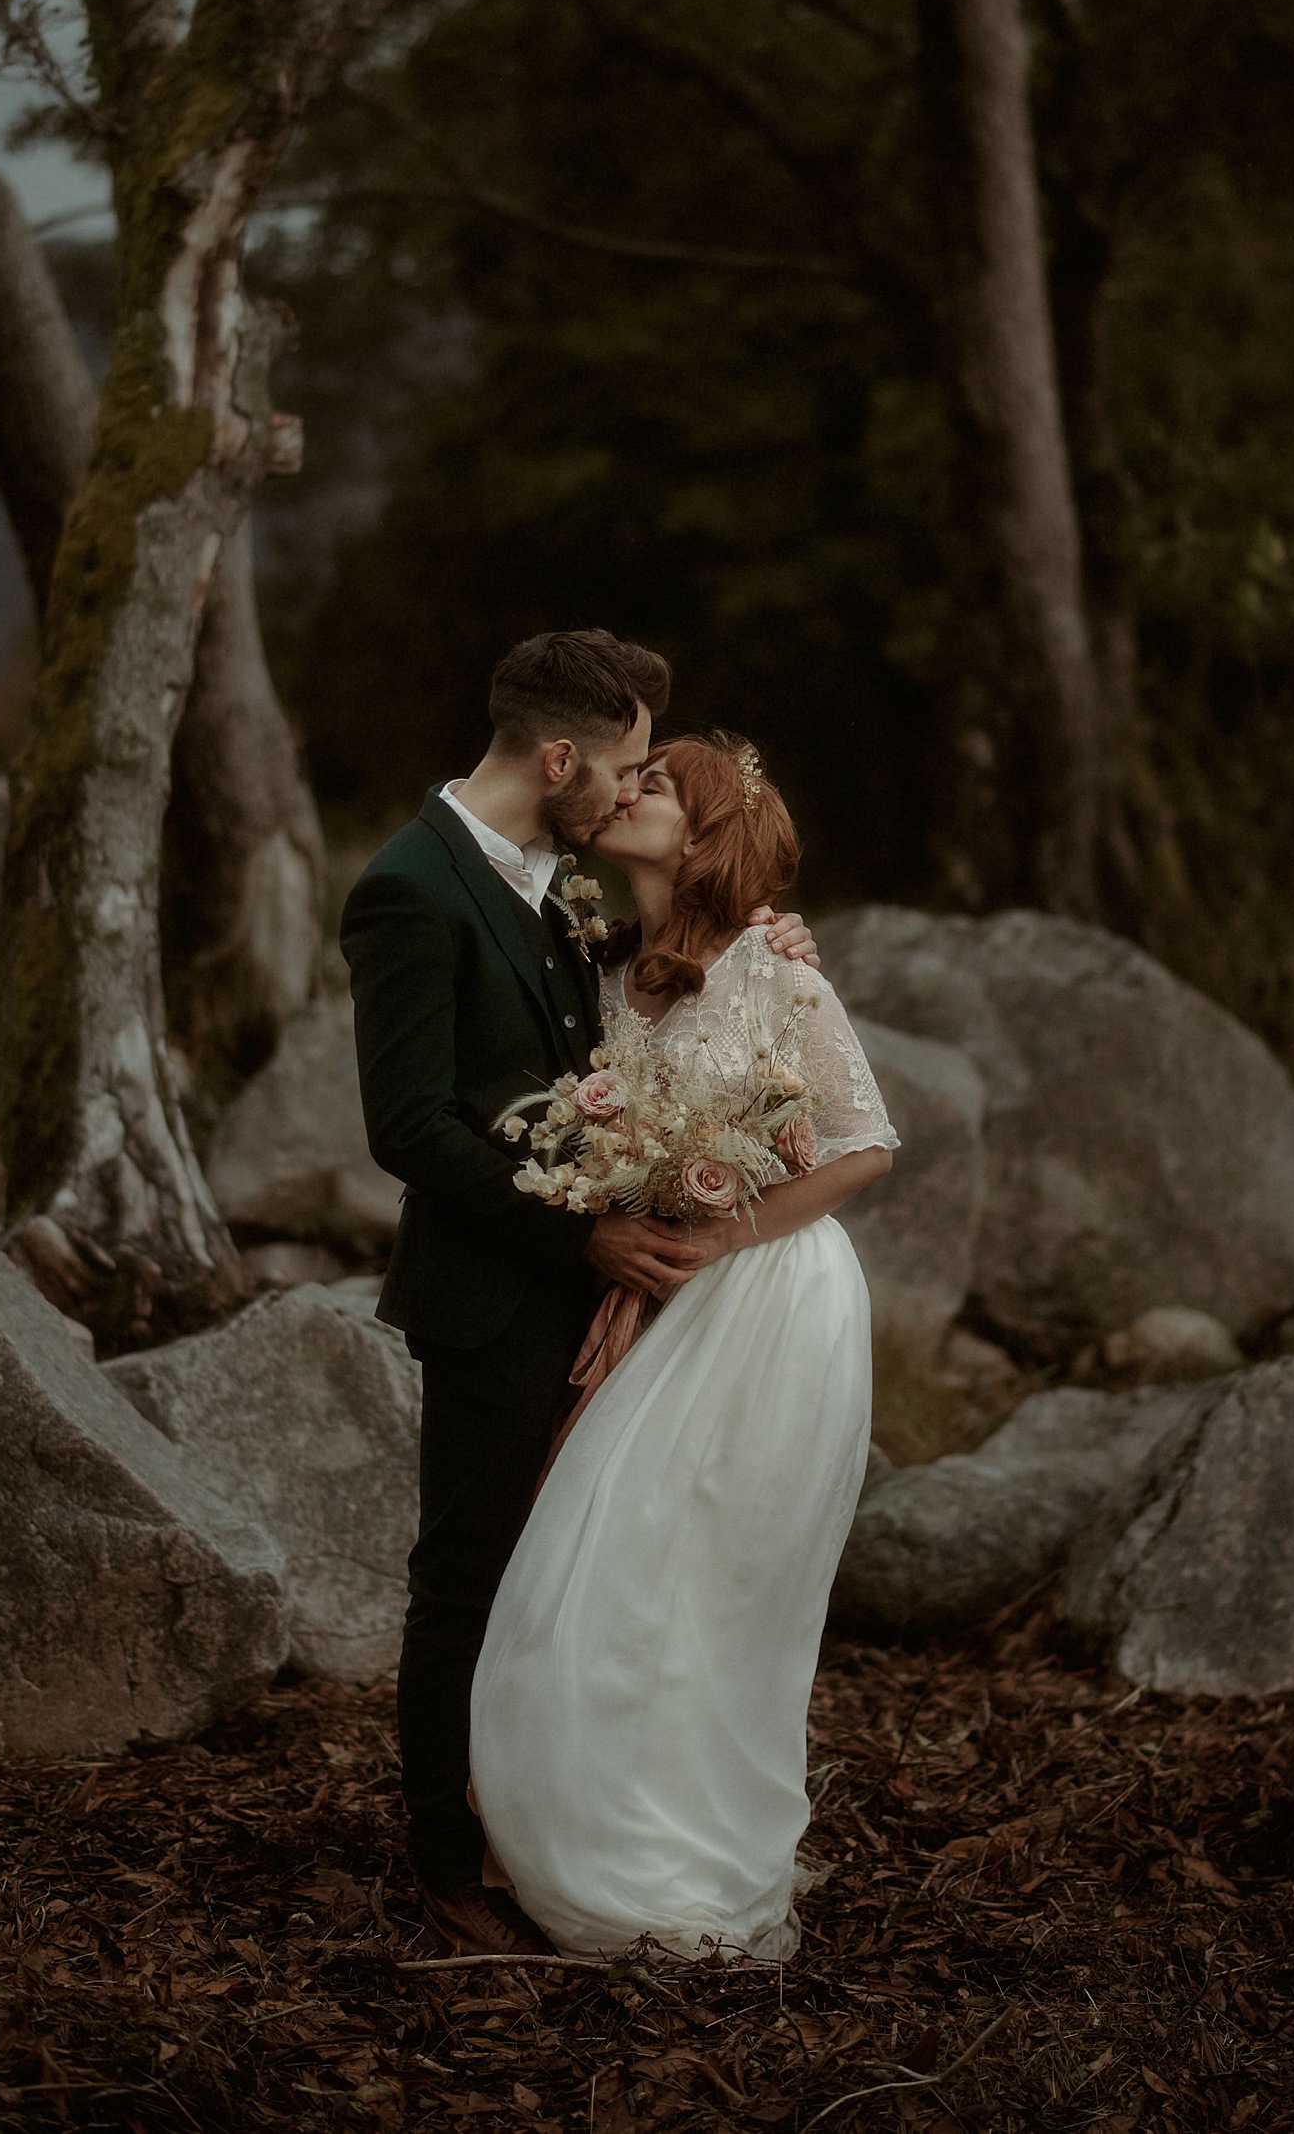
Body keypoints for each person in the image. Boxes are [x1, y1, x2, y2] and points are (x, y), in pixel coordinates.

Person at [340, 635, 822, 1958]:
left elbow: (649, 1011)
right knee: (469, 1581)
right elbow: (411, 1128)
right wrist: (585, 1240)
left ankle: (544, 1820)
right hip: (497, 1291)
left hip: (596, 1289)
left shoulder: (553, 880)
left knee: (569, 1583)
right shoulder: (408, 887)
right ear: (557, 756)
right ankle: (446, 1860)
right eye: (613, 767)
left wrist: (756, 937)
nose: (621, 792)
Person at [468, 734, 896, 1961]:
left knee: (703, 1578)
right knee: (608, 1562)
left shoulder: (775, 969)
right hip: (659, 1290)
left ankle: (685, 1841)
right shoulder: (602, 972)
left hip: (767, 1301)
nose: (628, 791)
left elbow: (863, 1145)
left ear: (706, 827)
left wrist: (720, 1237)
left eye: (654, 784)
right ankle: (578, 1816)